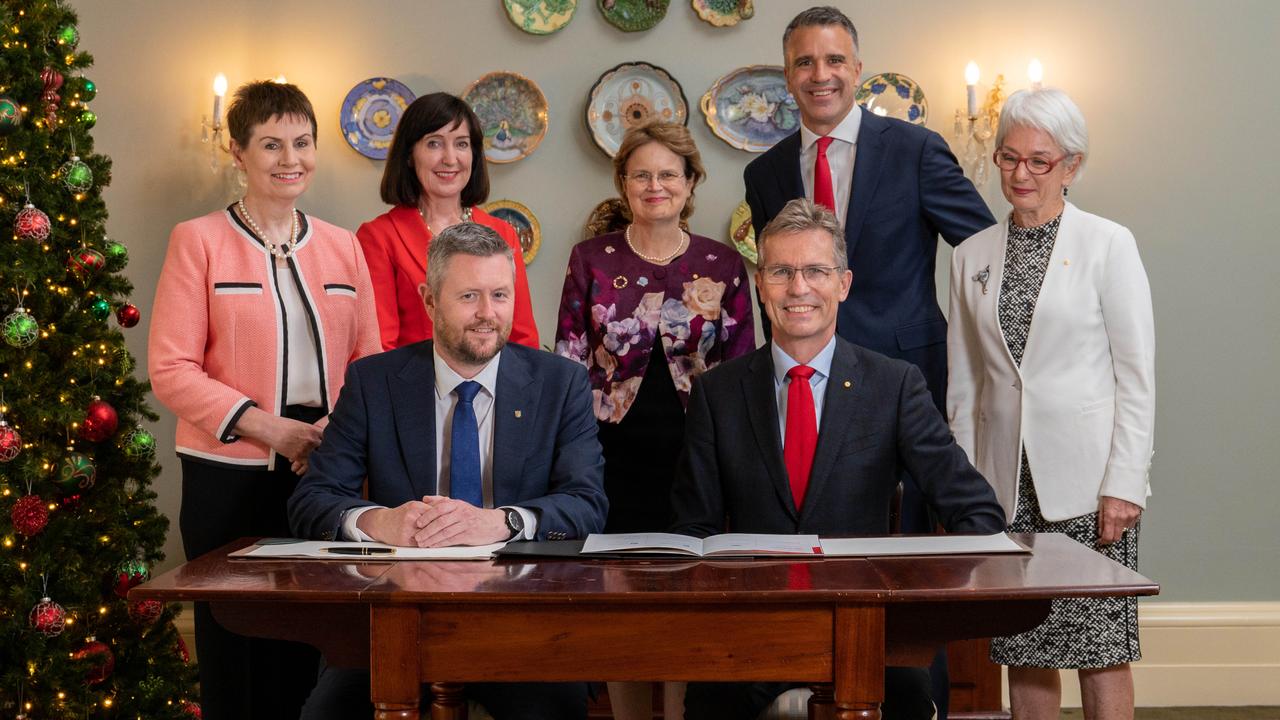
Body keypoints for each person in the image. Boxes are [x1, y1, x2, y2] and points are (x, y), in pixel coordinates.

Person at [742, 9, 997, 708]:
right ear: (787, 74)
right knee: (807, 549)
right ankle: (811, 694)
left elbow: (983, 253)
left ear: (858, 69)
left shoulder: (915, 149)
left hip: (900, 386)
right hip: (802, 385)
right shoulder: (764, 172)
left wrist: (979, 367)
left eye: (833, 61)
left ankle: (920, 705)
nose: (819, 75)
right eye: (803, 62)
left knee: (906, 567)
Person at [670, 198, 1005, 720]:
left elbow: (976, 512)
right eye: (781, 271)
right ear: (761, 285)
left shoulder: (894, 385)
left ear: (843, 284)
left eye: (815, 271)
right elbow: (693, 528)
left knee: (910, 700)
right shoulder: (717, 393)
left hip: (868, 630)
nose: (798, 288)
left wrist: (924, 602)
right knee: (712, 704)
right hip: (753, 632)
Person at [288, 222, 609, 720]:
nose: (488, 314)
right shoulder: (374, 382)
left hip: (522, 617)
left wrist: (501, 521)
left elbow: (587, 502)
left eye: (500, 295)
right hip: (398, 615)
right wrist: (378, 522)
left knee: (554, 708)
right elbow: (312, 500)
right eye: (469, 296)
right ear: (430, 300)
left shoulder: (560, 382)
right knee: (324, 715)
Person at [148, 81, 381, 720]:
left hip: (324, 470)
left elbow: (370, 361)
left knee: (312, 649)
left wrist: (332, 432)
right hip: (230, 473)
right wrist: (271, 430)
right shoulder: (197, 239)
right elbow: (170, 369)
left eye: (303, 143)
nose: (291, 158)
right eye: (272, 143)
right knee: (235, 655)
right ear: (238, 152)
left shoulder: (342, 245)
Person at [946, 87, 1154, 720]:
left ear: (1072, 166)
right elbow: (965, 385)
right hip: (1004, 482)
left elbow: (1136, 376)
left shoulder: (1108, 243)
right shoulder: (969, 255)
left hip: (1090, 483)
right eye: (1009, 158)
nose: (1021, 174)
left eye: (1040, 161)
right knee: (1024, 647)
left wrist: (1125, 483)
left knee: (1098, 649)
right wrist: (964, 491)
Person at [554, 121, 756, 720]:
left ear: (691, 183)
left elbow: (742, 368)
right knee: (621, 604)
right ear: (622, 182)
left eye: (669, 174)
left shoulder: (722, 262)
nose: (655, 185)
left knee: (688, 602)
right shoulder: (591, 258)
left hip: (698, 457)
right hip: (609, 456)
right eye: (641, 174)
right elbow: (567, 360)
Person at [357, 92, 539, 351]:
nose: (450, 158)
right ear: (409, 155)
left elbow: (523, 340)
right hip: (413, 387)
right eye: (434, 143)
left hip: (496, 389)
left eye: (462, 144)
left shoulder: (503, 233)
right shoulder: (378, 238)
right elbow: (378, 349)